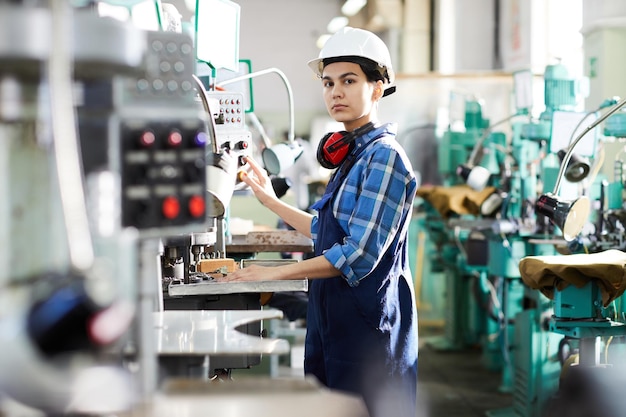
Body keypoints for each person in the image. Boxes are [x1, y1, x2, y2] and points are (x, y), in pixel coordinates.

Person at [219, 27, 418, 417]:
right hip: (333, 324)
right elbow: (326, 231)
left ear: (377, 88)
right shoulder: (351, 156)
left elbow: (357, 255)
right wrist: (269, 201)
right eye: (328, 83)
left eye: (349, 81)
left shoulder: (385, 158)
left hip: (369, 330)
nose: (335, 92)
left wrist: (270, 273)